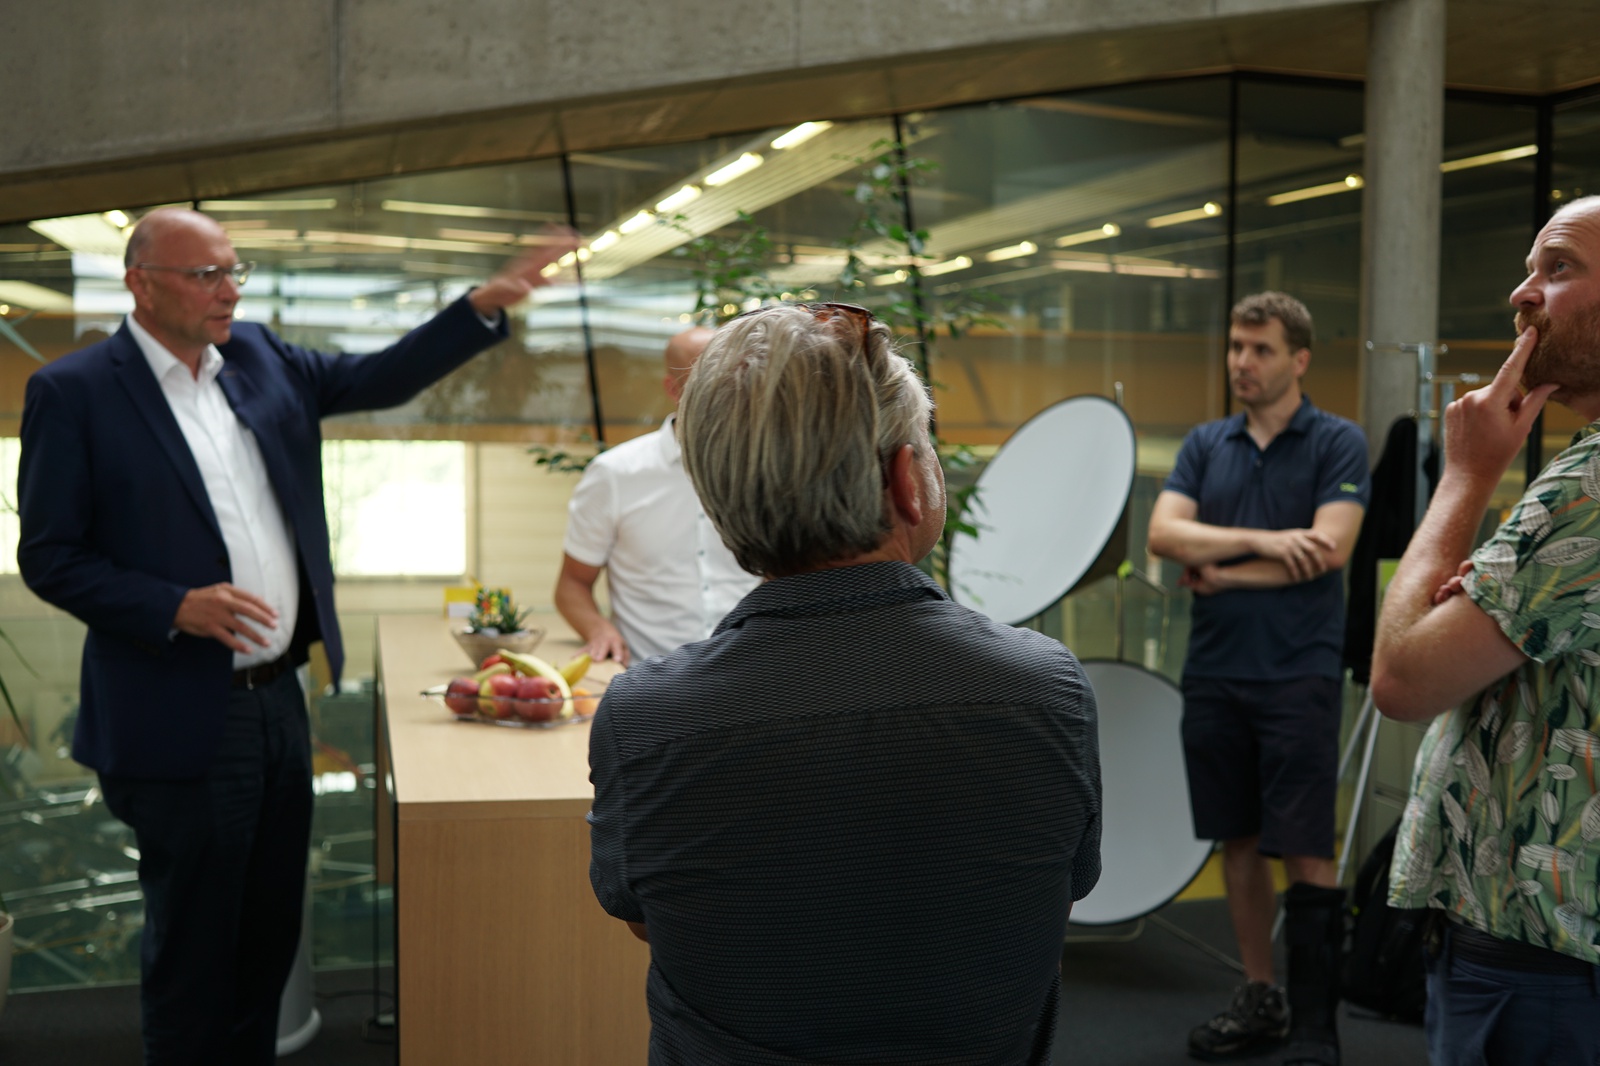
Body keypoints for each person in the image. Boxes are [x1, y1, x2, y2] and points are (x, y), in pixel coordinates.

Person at [16, 207, 576, 1065]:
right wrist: (171, 605)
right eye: (207, 275)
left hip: (279, 697)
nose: (230, 291)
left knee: (269, 936)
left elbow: (379, 378)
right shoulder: (76, 391)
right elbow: (51, 557)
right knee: (196, 950)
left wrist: (481, 306)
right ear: (141, 284)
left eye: (234, 271)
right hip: (177, 713)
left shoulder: (258, 357)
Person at [587, 303, 1102, 1065]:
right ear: (907, 480)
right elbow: (1060, 888)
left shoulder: (645, 720)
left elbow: (647, 916)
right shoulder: (1046, 692)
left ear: (720, 505)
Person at [1372, 196, 1600, 1066]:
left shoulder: (1587, 487)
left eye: (1558, 267)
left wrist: (1466, 477)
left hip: (1539, 953)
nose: (1522, 292)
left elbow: (1402, 678)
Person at [1147, 291, 1369, 1064]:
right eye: (1237, 347)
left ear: (1299, 359)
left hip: (1298, 673)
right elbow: (1164, 533)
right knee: (1237, 839)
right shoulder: (1206, 444)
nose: (1243, 362)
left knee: (1305, 845)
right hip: (1215, 672)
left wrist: (1222, 571)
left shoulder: (1338, 442)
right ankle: (1260, 996)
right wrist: (1269, 543)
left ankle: (1314, 1025)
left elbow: (1330, 550)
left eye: (1261, 349)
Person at [554, 326, 758, 665]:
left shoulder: (763, 468)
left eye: (733, 377)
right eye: (707, 380)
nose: (725, 391)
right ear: (673, 389)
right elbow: (572, 585)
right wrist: (598, 630)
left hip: (746, 669)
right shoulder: (615, 474)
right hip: (649, 676)